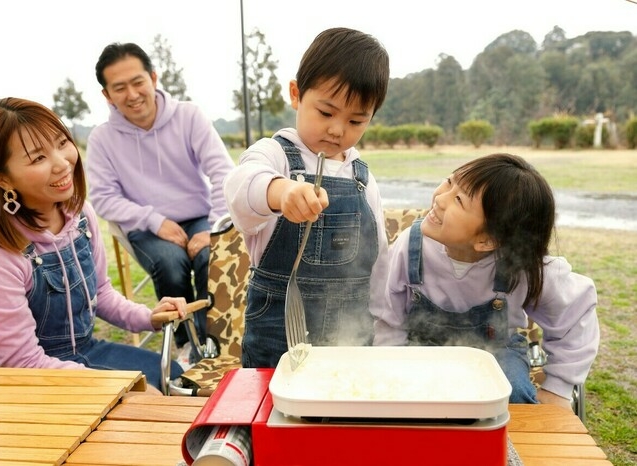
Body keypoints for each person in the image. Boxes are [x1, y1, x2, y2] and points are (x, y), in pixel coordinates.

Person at [0, 97, 187, 392]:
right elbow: (23, 364)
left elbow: (100, 292)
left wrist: (148, 317)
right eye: (38, 158)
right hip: (11, 376)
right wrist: (118, 388)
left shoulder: (79, 215)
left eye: (62, 143)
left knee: (176, 378)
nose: (63, 163)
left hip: (80, 351)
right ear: (0, 178)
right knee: (147, 398)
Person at [376, 153, 599, 409]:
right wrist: (389, 370)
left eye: (459, 200)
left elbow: (576, 314)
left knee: (511, 394)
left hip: (496, 354)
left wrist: (558, 389)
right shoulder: (411, 246)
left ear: (487, 241)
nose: (440, 198)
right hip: (420, 350)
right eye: (449, 182)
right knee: (403, 398)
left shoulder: (521, 266)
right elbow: (388, 318)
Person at [224, 27, 390, 368]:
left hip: (351, 332)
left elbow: (381, 259)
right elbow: (241, 188)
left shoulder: (362, 177)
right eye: (326, 113)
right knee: (273, 411)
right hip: (278, 329)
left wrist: (385, 327)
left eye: (356, 120)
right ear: (296, 94)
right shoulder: (275, 156)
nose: (337, 129)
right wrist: (281, 191)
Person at [86, 42, 234, 352]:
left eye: (138, 82)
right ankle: (184, 344)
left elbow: (222, 172)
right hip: (145, 225)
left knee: (212, 255)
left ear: (153, 78)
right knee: (170, 263)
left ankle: (215, 346)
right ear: (106, 94)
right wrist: (154, 221)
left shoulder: (189, 116)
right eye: (119, 87)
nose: (132, 94)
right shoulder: (102, 139)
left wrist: (212, 228)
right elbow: (103, 197)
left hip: (198, 216)